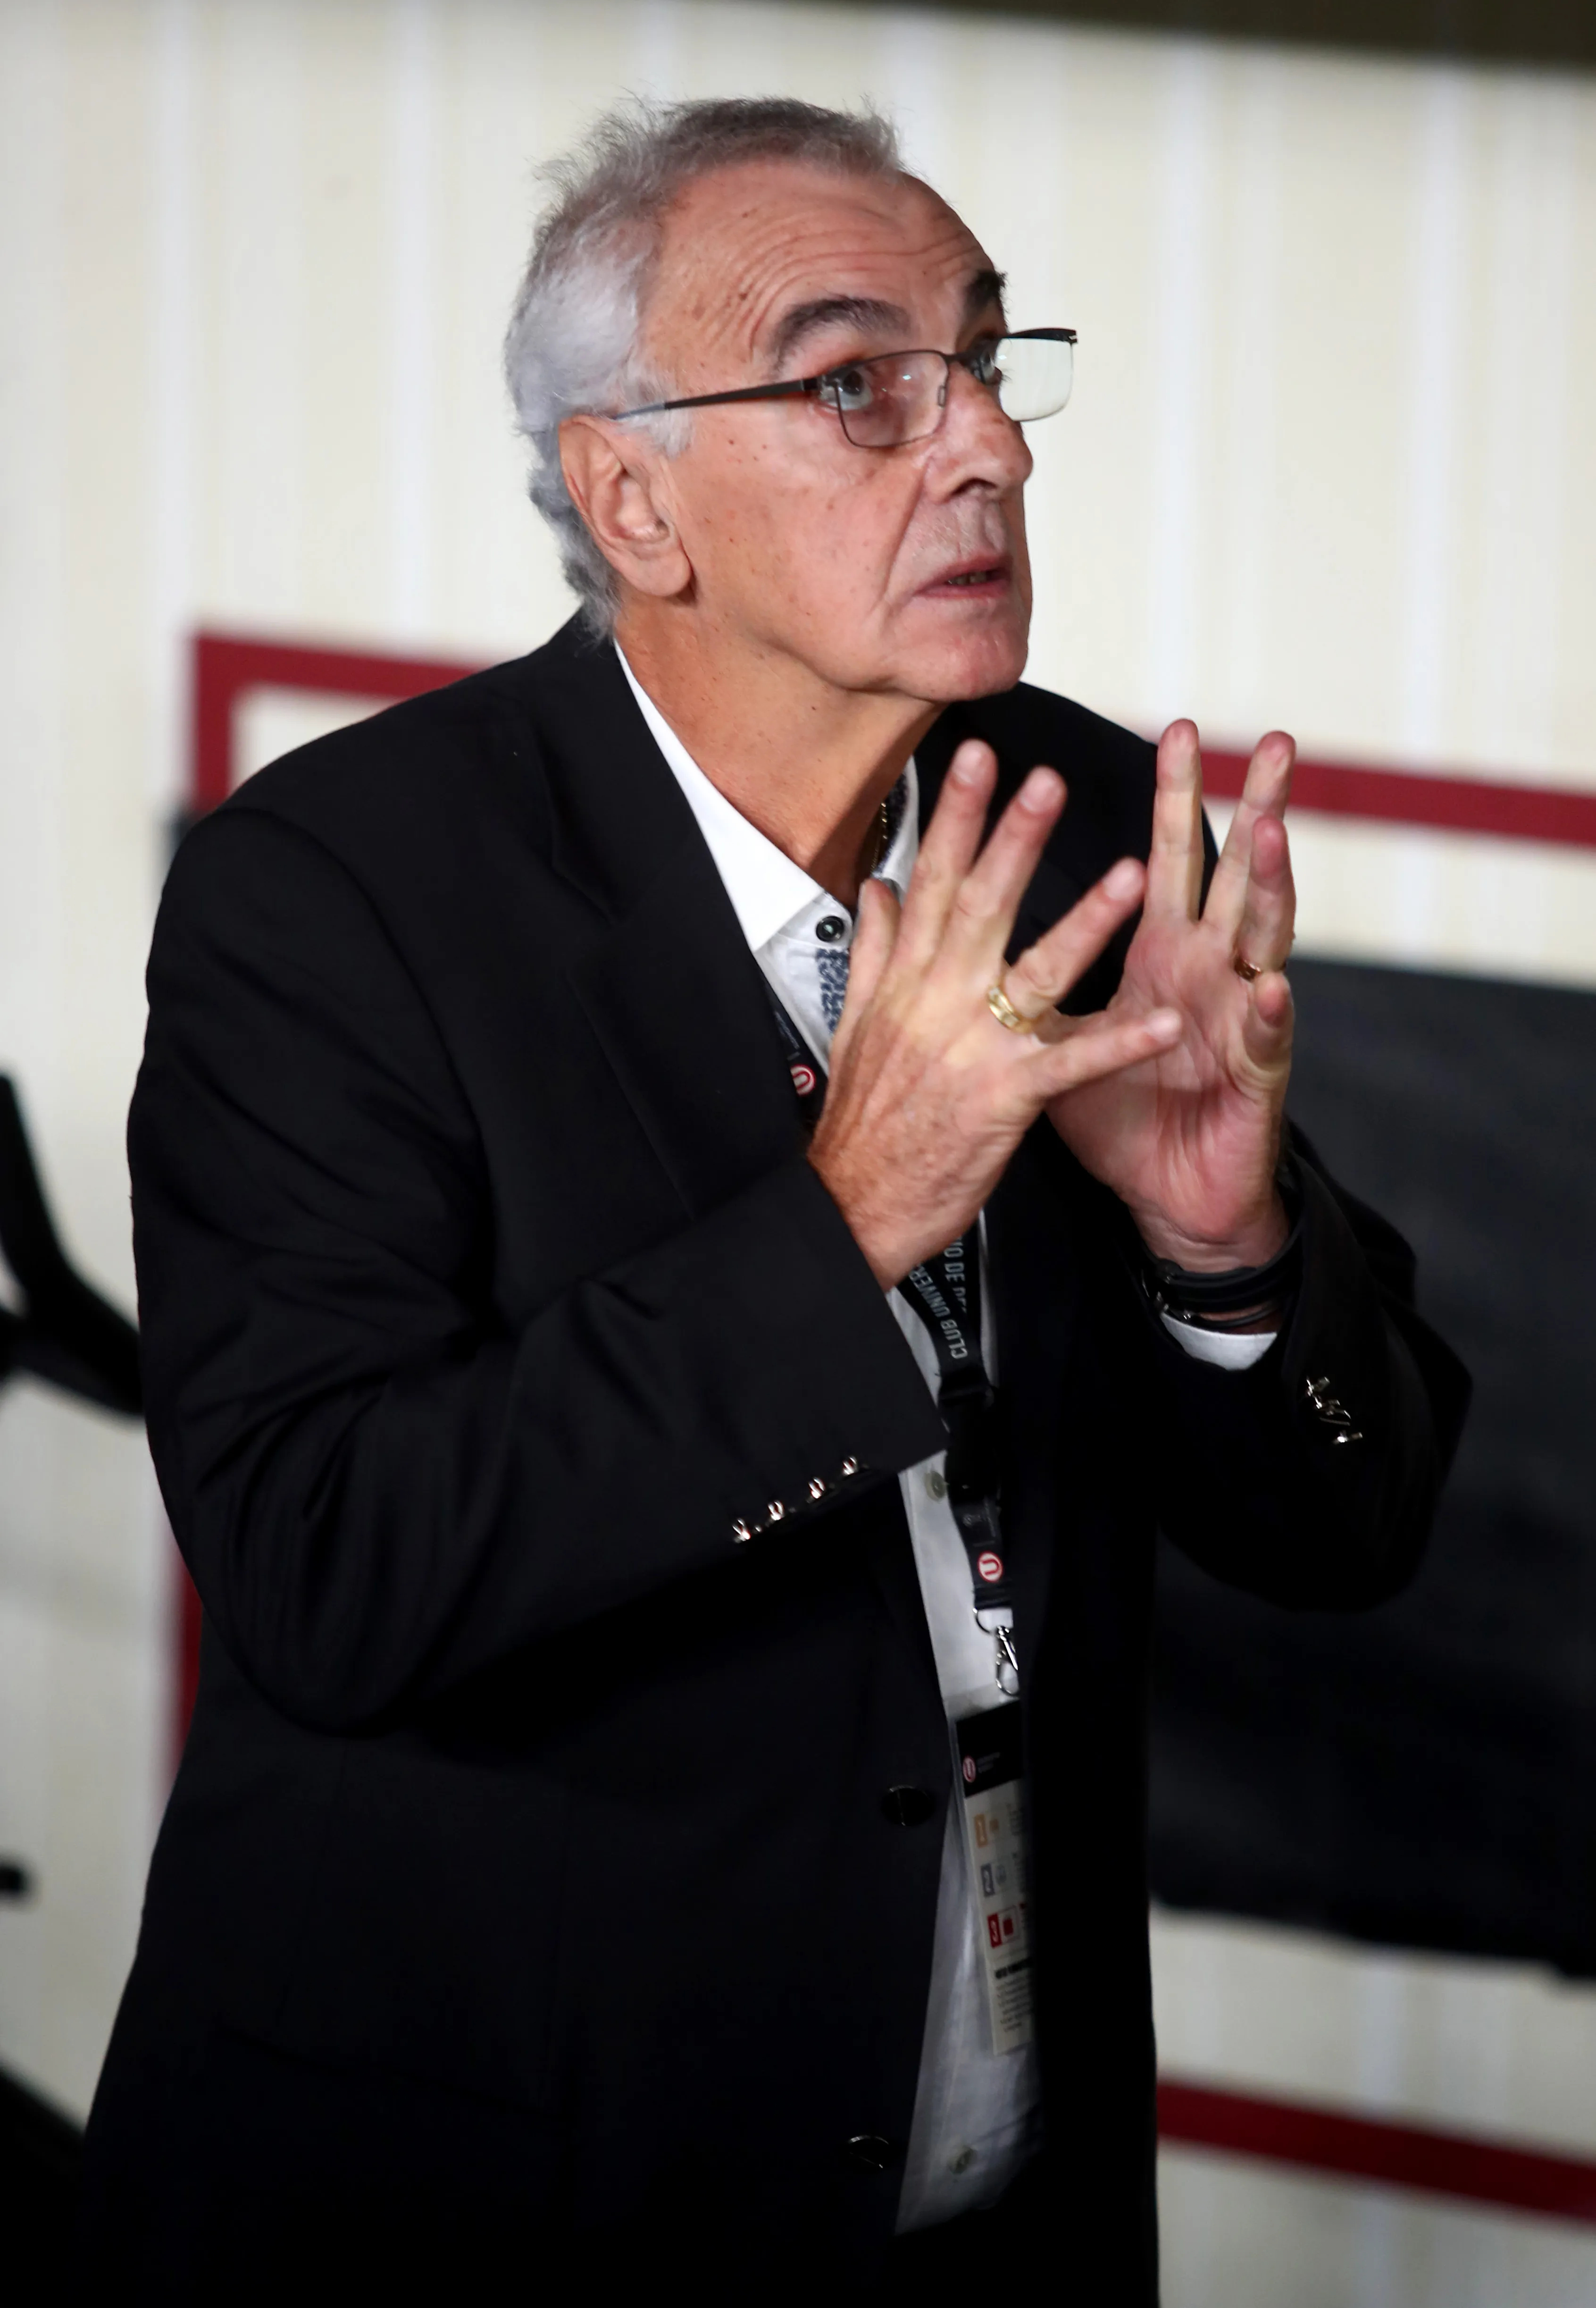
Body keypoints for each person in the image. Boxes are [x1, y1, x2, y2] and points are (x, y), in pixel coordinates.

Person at [77, 97, 1467, 2300]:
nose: (987, 448)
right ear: (635, 497)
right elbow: (331, 1568)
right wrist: (840, 1228)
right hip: (472, 2224)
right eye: (856, 388)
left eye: (992, 362)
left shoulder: (1078, 813)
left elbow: (1349, 1517)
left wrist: (1221, 1245)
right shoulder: (339, 892)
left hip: (983, 2217)